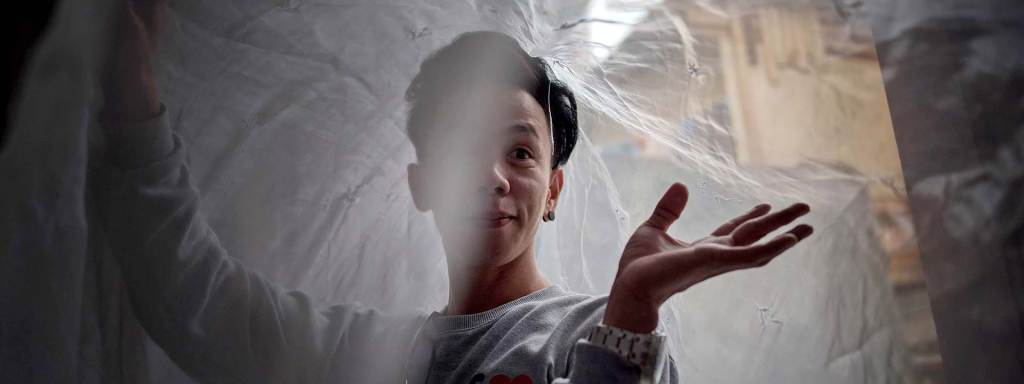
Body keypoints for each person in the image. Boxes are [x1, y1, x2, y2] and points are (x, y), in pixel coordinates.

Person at [97, 1, 814, 383]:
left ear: (554, 189)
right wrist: (134, 111)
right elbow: (195, 299)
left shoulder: (598, 338)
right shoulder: (365, 354)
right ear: (421, 185)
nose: (492, 175)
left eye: (521, 151)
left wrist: (628, 320)